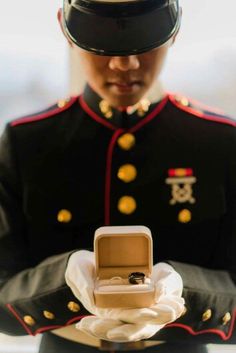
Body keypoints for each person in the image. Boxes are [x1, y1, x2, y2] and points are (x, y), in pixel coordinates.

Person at [0, 0, 236, 352]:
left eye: (144, 41)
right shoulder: (27, 142)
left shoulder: (219, 142)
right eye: (101, 41)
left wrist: (185, 290)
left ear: (174, 30)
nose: (124, 64)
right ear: (66, 29)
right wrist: (62, 280)